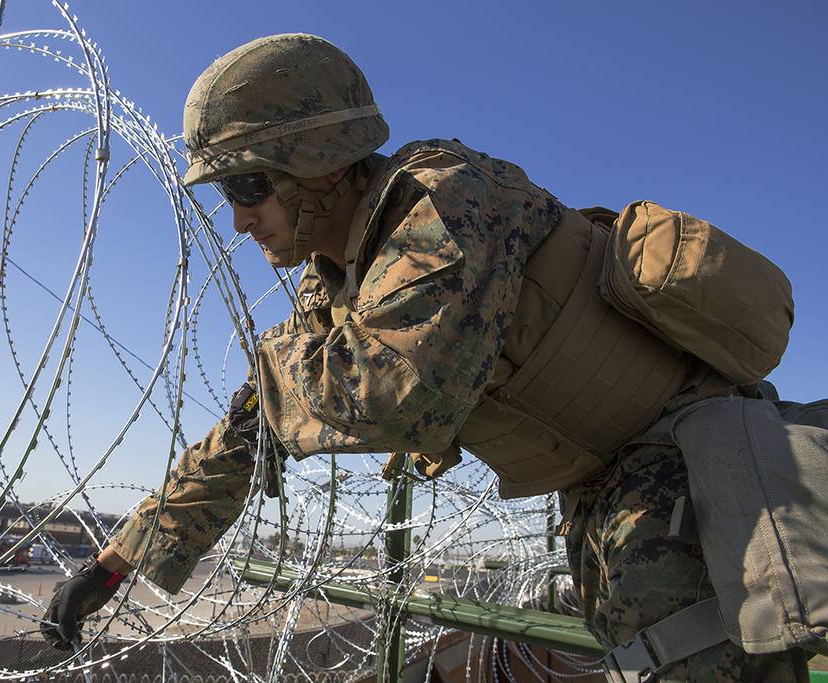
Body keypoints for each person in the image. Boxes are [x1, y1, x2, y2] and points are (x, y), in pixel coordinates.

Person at [40, 33, 813, 681]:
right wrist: (114, 562)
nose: (241, 221)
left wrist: (283, 361)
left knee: (703, 655)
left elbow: (395, 395)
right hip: (602, 480)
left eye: (250, 186)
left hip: (686, 449)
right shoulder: (337, 287)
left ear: (317, 158)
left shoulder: (446, 203)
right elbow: (254, 425)